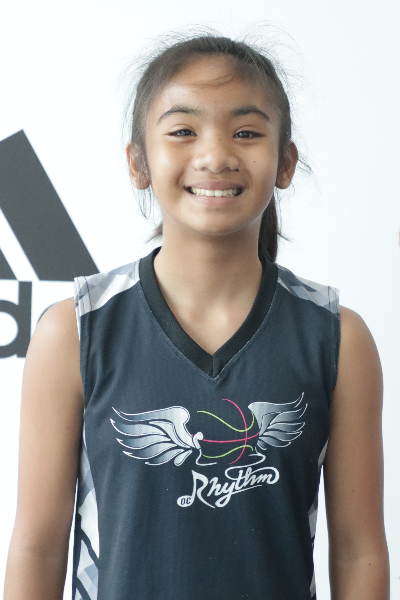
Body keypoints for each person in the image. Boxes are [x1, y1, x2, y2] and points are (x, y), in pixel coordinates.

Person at [4, 30, 390, 600]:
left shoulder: (336, 337)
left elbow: (359, 551)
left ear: (285, 162)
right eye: (183, 131)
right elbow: (37, 546)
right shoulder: (77, 329)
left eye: (246, 132)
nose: (215, 155)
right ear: (139, 162)